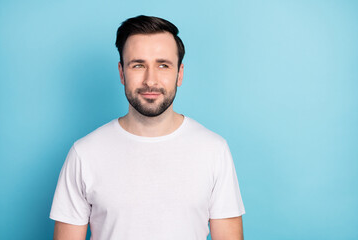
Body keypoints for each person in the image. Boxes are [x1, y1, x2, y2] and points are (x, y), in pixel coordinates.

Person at [50, 15, 245, 240]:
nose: (150, 80)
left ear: (179, 74)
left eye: (163, 65)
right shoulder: (84, 153)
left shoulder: (214, 150)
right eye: (138, 65)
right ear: (122, 73)